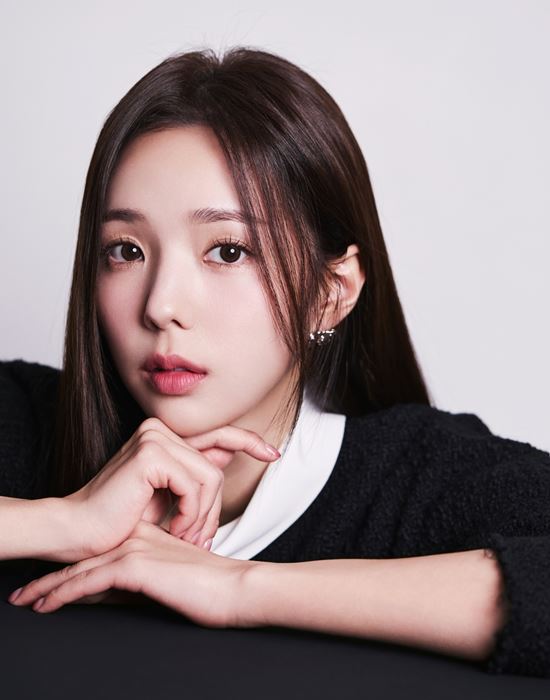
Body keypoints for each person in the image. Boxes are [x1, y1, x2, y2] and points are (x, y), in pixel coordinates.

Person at [1, 46, 549, 679]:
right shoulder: (29, 424)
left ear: (330, 292)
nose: (161, 305)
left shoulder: (414, 478)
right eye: (125, 250)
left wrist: (237, 587)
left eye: (228, 251)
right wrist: (63, 522)